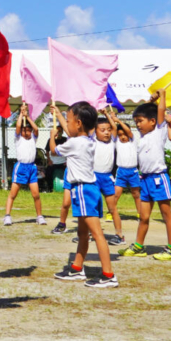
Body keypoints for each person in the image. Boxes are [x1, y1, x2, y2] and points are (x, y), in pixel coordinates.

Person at [50, 102, 118, 288]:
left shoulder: (74, 143)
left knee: (96, 234)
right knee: (83, 233)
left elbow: (54, 152)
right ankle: (77, 268)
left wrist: (52, 137)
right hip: (91, 189)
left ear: (78, 123)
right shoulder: (89, 140)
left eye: (69, 120)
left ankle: (108, 275)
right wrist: (61, 116)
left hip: (82, 190)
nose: (68, 123)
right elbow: (73, 132)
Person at [118, 91, 171, 260]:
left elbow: (159, 111)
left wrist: (162, 96)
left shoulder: (158, 132)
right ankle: (139, 246)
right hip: (145, 180)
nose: (137, 125)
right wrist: (149, 101)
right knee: (143, 216)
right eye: (136, 121)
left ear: (153, 122)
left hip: (159, 178)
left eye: (140, 121)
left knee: (167, 215)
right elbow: (147, 110)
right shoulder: (143, 137)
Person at [4, 103, 43, 226]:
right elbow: (18, 125)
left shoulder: (33, 138)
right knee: (13, 194)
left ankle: (39, 216)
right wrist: (21, 114)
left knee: (36, 194)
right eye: (24, 130)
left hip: (32, 168)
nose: (27, 132)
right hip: (21, 167)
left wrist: (28, 117)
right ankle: (7, 216)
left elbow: (36, 129)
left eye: (28, 130)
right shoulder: (18, 139)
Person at [93, 114, 125, 246]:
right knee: (92, 208)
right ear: (95, 132)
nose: (106, 132)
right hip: (93, 177)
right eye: (102, 130)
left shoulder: (113, 141)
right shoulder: (92, 141)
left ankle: (119, 235)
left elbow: (114, 127)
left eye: (108, 129)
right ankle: (88, 233)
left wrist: (107, 114)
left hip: (107, 178)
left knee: (113, 208)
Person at [106, 107, 140, 231]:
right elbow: (114, 130)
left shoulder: (133, 140)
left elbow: (127, 131)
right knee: (116, 195)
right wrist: (110, 118)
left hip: (133, 171)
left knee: (136, 194)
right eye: (120, 135)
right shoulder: (117, 142)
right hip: (121, 171)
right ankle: (110, 213)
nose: (123, 137)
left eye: (124, 134)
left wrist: (118, 120)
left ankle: (140, 213)